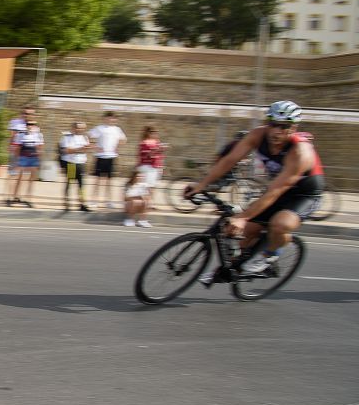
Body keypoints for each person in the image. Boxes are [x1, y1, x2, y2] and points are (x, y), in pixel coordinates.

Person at [186, 101, 324, 283]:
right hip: (279, 190)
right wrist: (201, 184)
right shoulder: (258, 135)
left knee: (280, 224)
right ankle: (231, 269)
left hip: (304, 194)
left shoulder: (300, 152)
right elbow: (229, 160)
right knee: (237, 232)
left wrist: (243, 217)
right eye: (273, 124)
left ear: (294, 127)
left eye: (284, 126)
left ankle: (269, 256)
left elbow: (275, 191)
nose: (277, 131)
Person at [88, 111, 127, 209]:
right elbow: (87, 136)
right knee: (97, 180)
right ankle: (94, 200)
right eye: (109, 118)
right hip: (100, 157)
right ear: (105, 118)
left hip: (111, 157)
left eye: (113, 118)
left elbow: (124, 139)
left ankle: (108, 201)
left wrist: (118, 146)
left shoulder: (117, 129)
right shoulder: (99, 128)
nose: (111, 120)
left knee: (109, 181)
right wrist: (95, 146)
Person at [133, 125, 167, 226]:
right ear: (148, 132)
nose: (155, 133)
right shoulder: (144, 143)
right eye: (153, 132)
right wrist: (157, 150)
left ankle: (142, 217)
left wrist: (160, 165)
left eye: (156, 132)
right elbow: (147, 156)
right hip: (147, 168)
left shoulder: (156, 142)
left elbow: (159, 156)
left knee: (150, 193)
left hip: (155, 168)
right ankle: (142, 219)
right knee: (146, 194)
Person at [7, 120, 43, 207]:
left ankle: (28, 199)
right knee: (19, 178)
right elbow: (17, 148)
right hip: (23, 158)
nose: (30, 126)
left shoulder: (38, 135)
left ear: (35, 126)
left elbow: (39, 148)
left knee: (31, 179)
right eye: (28, 124)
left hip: (33, 158)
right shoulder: (20, 135)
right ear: (25, 125)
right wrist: (16, 159)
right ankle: (14, 197)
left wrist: (39, 160)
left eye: (32, 124)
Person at [60, 121, 92, 212]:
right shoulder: (67, 137)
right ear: (73, 128)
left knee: (82, 185)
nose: (81, 130)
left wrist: (87, 149)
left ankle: (82, 204)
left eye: (82, 128)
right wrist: (80, 149)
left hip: (81, 163)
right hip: (71, 163)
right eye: (79, 128)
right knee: (70, 183)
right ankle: (67, 203)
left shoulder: (84, 137)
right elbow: (67, 150)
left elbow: (85, 150)